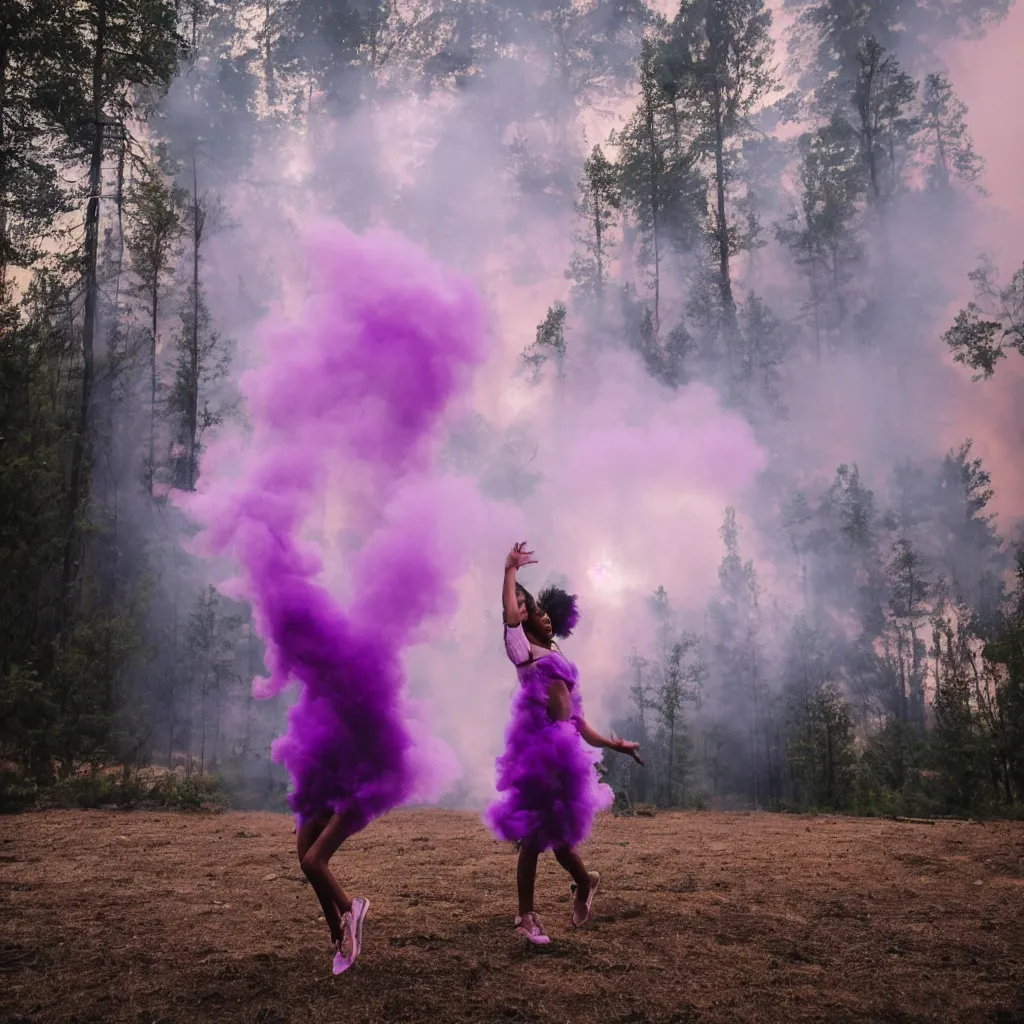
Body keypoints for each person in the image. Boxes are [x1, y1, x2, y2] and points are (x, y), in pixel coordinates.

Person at [485, 541, 644, 944]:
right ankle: (526, 917)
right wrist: (510, 572)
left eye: (540, 611)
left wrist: (614, 745)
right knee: (536, 837)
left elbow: (578, 720)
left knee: (557, 838)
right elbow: (510, 614)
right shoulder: (521, 650)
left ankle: (586, 881)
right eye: (530, 611)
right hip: (539, 753)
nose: (542, 617)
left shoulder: (554, 653)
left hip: (566, 750)